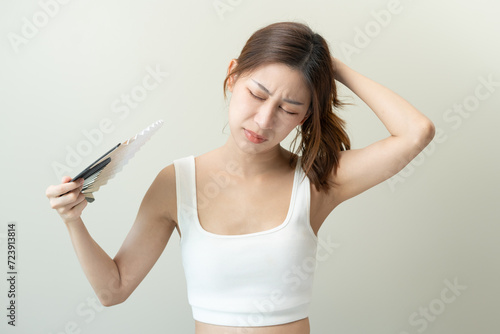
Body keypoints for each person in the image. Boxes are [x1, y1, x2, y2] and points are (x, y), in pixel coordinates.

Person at [45, 21, 435, 334]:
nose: (264, 120)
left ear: (305, 116)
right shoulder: (175, 182)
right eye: (258, 94)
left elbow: (416, 132)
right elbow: (112, 290)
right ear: (233, 76)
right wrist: (72, 220)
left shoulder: (316, 181)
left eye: (289, 107)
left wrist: (329, 65)